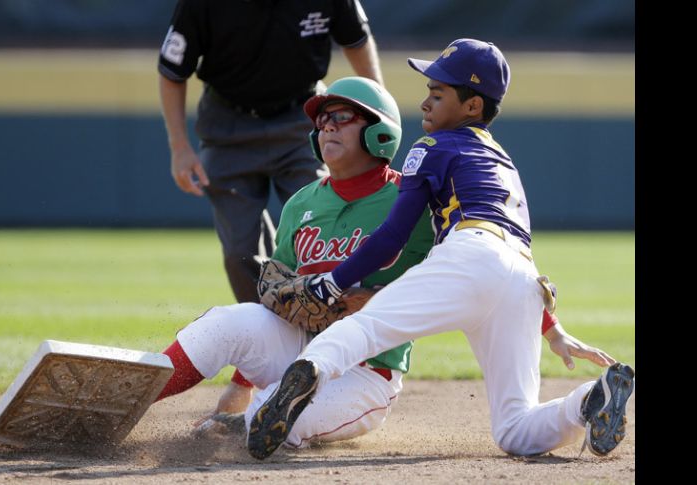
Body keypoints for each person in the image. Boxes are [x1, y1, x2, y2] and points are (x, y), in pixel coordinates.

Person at [154, 76, 616, 452]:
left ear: (380, 132)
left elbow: (480, 265)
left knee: (267, 421)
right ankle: (128, 398)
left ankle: (246, 425)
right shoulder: (300, 204)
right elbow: (279, 295)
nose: (326, 128)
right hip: (299, 344)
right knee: (224, 322)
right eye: (321, 122)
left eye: (342, 117)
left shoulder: (411, 197)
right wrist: (243, 380)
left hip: (365, 372)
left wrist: (549, 325)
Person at [247, 39, 635, 460]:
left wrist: (331, 283)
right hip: (524, 281)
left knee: (368, 326)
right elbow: (508, 257)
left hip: (468, 255)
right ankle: (586, 401)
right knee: (514, 429)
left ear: (471, 107)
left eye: (437, 94)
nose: (425, 103)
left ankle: (311, 371)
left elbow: (393, 235)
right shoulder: (504, 161)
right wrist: (553, 330)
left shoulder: (432, 147)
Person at [157, 0, 384, 305]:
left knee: (325, 225)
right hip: (228, 125)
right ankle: (265, 331)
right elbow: (172, 72)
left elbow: (356, 40)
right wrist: (179, 147)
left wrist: (379, 110)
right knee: (241, 252)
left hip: (303, 117)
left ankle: (334, 330)